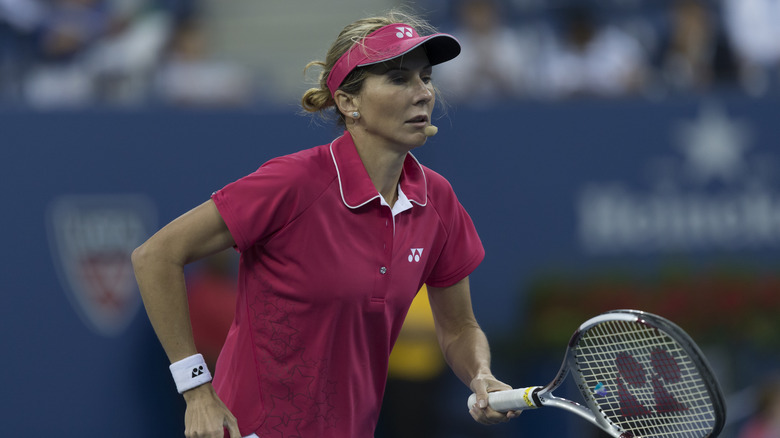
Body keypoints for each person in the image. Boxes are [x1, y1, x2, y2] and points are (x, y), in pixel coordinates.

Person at [132, 9, 517, 438]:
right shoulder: (294, 182)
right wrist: (196, 391)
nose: (422, 93)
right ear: (348, 102)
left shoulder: (438, 199)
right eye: (398, 79)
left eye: (425, 77)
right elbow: (155, 256)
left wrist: (480, 375)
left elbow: (459, 326)